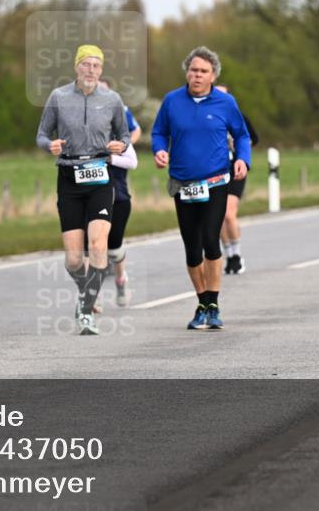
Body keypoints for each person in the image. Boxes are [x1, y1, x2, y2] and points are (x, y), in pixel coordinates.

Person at [151, 46, 250, 331]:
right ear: (187, 72)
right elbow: (159, 132)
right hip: (183, 183)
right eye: (193, 70)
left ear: (213, 75)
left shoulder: (225, 102)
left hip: (216, 181)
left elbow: (241, 134)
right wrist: (159, 151)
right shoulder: (172, 101)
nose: (197, 75)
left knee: (210, 239)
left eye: (203, 71)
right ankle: (201, 301)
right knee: (192, 248)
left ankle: (214, 303)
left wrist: (242, 158)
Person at [36, 44, 129, 335]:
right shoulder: (58, 97)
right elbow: (41, 134)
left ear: (102, 70)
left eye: (97, 66)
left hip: (101, 176)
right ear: (76, 67)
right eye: (86, 64)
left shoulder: (112, 99)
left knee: (99, 244)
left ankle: (87, 309)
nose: (91, 70)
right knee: (74, 258)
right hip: (69, 176)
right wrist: (48, 145)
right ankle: (85, 289)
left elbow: (124, 135)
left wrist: (120, 145)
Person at [215, 84, 259, 275]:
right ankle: (229, 255)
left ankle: (237, 254)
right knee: (217, 217)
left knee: (228, 214)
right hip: (215, 171)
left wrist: (239, 146)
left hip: (235, 171)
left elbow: (252, 139)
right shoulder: (209, 118)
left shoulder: (238, 117)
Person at [107, 104, 140, 306]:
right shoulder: (81, 134)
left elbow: (133, 162)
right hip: (89, 197)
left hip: (118, 198)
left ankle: (121, 280)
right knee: (92, 246)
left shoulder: (119, 137)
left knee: (113, 249)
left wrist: (108, 158)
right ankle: (91, 295)